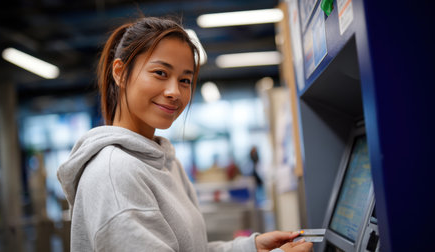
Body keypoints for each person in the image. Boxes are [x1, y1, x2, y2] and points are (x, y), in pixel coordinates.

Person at [57, 16, 313, 252]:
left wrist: (251, 247)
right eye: (160, 73)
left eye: (185, 80)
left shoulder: (166, 162)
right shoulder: (114, 173)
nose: (174, 92)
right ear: (120, 73)